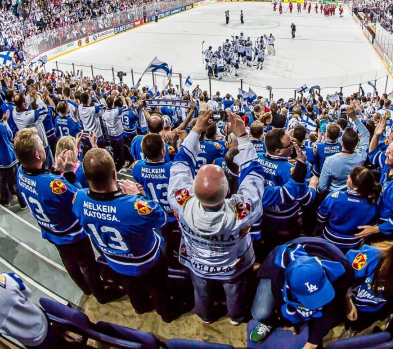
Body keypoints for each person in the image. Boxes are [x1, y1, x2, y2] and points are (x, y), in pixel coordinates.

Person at [168, 108, 264, 325]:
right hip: (232, 264)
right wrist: (243, 137)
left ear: (192, 189)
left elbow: (180, 165)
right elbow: (254, 175)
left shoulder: (181, 201)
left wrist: (195, 130)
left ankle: (205, 316)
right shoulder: (241, 212)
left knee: (200, 289)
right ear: (229, 191)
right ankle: (236, 317)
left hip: (196, 261)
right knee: (235, 291)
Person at [13, 128, 120, 304]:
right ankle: (101, 295)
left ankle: (85, 288)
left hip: (50, 230)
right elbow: (80, 199)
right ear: (38, 155)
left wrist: (57, 170)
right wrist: (69, 173)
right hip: (71, 233)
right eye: (41, 146)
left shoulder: (20, 172)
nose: (44, 148)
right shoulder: (54, 184)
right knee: (88, 265)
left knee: (69, 261)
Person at [73, 147, 179, 323]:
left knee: (131, 286)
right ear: (115, 174)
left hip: (115, 260)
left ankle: (140, 307)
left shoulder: (78, 199)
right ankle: (166, 314)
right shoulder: (134, 205)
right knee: (158, 289)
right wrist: (139, 196)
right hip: (146, 260)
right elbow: (161, 218)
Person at [249, 237, 356, 348]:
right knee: (260, 313)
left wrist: (348, 300)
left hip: (327, 251)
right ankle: (269, 323)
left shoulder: (342, 269)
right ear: (288, 287)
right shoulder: (279, 272)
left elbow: (333, 308)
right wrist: (287, 322)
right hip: (279, 266)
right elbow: (279, 299)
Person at [316, 166, 381, 251]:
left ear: (356, 187)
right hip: (353, 244)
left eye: (350, 177)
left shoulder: (334, 197)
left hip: (330, 240)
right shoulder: (372, 203)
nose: (347, 176)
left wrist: (318, 229)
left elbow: (321, 217)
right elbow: (372, 226)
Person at [319, 102, 370, 193]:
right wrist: (354, 118)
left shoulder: (330, 161)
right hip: (355, 193)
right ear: (356, 144)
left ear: (341, 143)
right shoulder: (361, 156)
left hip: (335, 197)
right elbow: (365, 134)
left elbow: (322, 188)